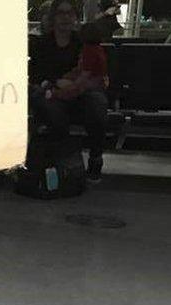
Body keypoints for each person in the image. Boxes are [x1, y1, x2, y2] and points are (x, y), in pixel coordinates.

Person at [29, 0, 109, 183]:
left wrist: (75, 85)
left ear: (75, 17)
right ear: (53, 17)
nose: (65, 17)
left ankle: (95, 158)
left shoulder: (83, 43)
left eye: (69, 13)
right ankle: (65, 159)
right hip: (52, 92)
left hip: (80, 94)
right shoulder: (42, 43)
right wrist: (57, 83)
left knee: (97, 103)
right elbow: (35, 74)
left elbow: (94, 74)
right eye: (61, 13)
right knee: (50, 107)